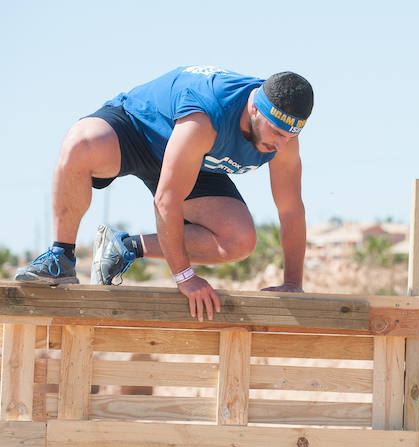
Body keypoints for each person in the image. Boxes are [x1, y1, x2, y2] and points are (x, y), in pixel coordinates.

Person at [15, 65, 313, 321]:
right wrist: (185, 277)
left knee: (239, 241)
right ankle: (60, 257)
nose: (281, 145)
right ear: (253, 109)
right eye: (276, 133)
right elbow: (166, 200)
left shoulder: (283, 139)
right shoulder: (208, 114)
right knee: (80, 144)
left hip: (195, 162)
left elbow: (290, 210)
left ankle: (125, 247)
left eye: (290, 136)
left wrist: (292, 283)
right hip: (141, 130)